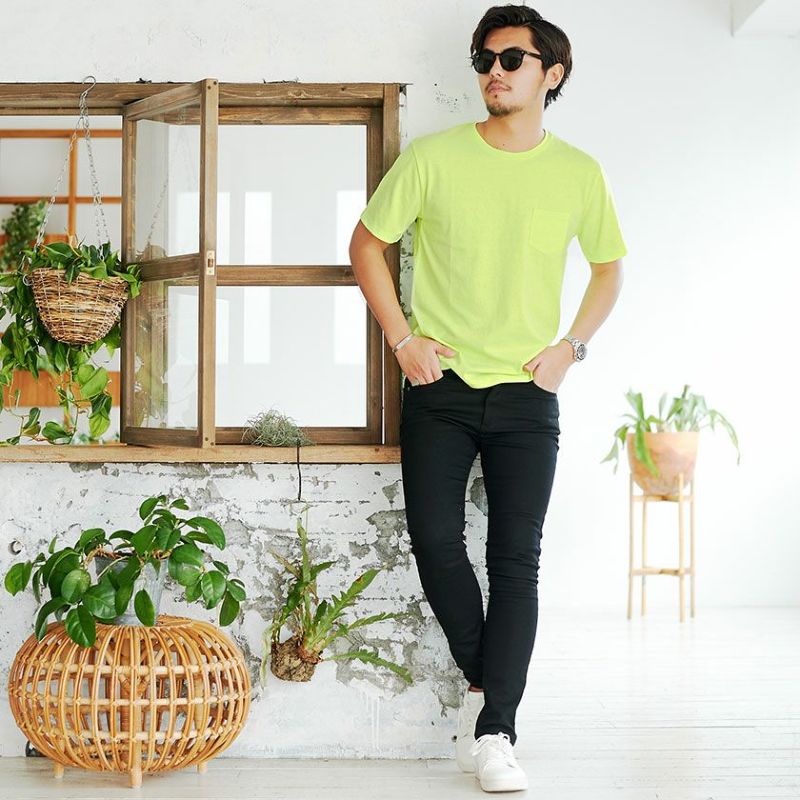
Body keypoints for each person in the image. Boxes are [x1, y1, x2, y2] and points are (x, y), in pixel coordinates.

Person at [349, 4, 627, 793]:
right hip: (439, 388)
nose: (493, 73)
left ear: (551, 73)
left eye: (510, 58)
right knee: (436, 545)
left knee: (515, 562)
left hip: (528, 397)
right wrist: (403, 339)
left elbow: (609, 268)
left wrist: (570, 349)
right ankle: (487, 685)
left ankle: (496, 730)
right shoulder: (434, 158)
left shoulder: (578, 172)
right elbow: (366, 243)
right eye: (483, 60)